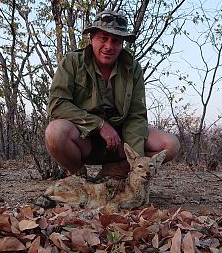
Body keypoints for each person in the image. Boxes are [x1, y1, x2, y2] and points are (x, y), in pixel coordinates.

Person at [45, 10, 180, 178]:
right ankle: (77, 176)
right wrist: (100, 125)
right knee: (55, 132)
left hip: (120, 142)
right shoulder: (72, 62)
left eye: (116, 40)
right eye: (103, 38)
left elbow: (136, 116)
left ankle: (114, 173)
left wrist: (135, 159)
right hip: (84, 138)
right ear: (91, 38)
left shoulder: (133, 68)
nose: (109, 46)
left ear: (122, 43)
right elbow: (57, 104)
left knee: (170, 144)